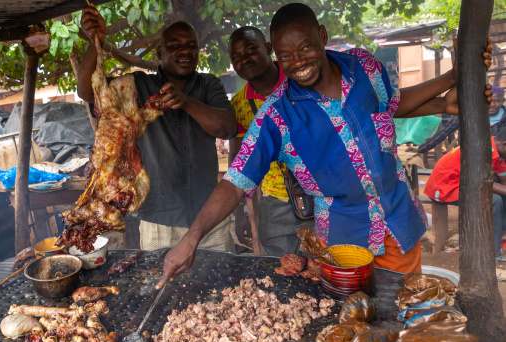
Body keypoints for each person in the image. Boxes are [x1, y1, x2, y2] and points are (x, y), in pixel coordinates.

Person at [155, 3, 492, 289]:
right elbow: (236, 180)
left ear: (323, 36)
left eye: (305, 48)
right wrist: (191, 238)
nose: (297, 62)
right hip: (346, 240)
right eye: (286, 56)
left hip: (398, 219)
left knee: (406, 315)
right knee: (357, 323)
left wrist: (450, 84)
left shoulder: (364, 67)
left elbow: (388, 104)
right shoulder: (276, 116)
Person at [77, 7, 237, 252]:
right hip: (159, 222)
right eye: (175, 45)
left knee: (220, 288)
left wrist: (185, 101)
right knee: (164, 289)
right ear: (159, 51)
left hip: (210, 219)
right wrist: (94, 42)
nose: (185, 51)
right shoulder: (138, 86)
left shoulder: (209, 85)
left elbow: (227, 128)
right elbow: (88, 92)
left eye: (191, 46)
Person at [228, 26, 314, 255]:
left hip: (322, 196)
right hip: (274, 203)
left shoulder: (301, 81)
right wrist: (239, 214)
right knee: (281, 273)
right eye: (236, 57)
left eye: (251, 50)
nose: (244, 60)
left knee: (324, 271)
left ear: (268, 49)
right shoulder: (239, 105)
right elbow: (237, 161)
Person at [424, 128, 506, 256]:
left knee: (501, 196)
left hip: (463, 184)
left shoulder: (498, 152)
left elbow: (503, 181)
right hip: (444, 188)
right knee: (495, 200)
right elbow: (483, 182)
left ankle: (502, 237)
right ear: (504, 145)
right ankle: (494, 253)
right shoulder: (482, 150)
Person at [408, 84, 500, 153]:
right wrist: (421, 148)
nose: (492, 105)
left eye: (497, 101)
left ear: (503, 101)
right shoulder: (467, 113)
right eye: (489, 101)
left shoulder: (504, 118)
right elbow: (445, 130)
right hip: (471, 158)